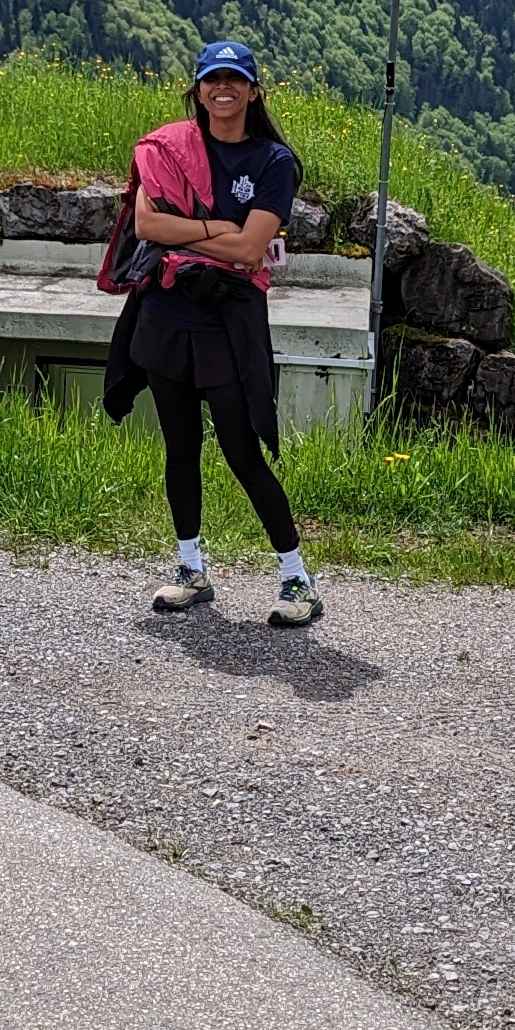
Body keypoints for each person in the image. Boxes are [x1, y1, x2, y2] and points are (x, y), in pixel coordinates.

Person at [113, 39, 320, 629]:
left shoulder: (274, 162)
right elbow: (146, 223)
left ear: (253, 90)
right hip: (166, 318)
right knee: (180, 450)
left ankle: (297, 579)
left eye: (234, 79)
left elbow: (253, 249)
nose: (221, 89)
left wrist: (187, 238)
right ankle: (190, 571)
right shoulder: (170, 148)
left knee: (243, 455)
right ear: (197, 88)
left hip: (227, 328)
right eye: (211, 79)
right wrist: (214, 231)